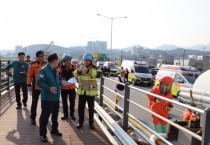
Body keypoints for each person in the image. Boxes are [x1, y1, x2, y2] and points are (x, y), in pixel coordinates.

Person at [37, 53, 62, 143]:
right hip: (47, 98)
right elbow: (39, 82)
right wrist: (49, 88)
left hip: (56, 97)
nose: (58, 61)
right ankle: (42, 134)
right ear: (54, 61)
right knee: (45, 116)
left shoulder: (54, 69)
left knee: (55, 115)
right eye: (58, 59)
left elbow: (55, 81)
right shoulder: (44, 70)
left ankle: (54, 130)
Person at [74, 53, 98, 130]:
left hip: (91, 92)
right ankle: (80, 122)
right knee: (80, 108)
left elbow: (97, 74)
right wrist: (78, 71)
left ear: (91, 61)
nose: (86, 61)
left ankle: (91, 123)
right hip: (82, 91)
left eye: (88, 60)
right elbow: (75, 75)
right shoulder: (81, 67)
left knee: (91, 108)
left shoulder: (95, 68)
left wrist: (87, 70)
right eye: (85, 60)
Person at [27, 51, 47, 125]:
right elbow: (29, 76)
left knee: (44, 103)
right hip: (36, 87)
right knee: (34, 103)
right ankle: (33, 118)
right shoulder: (32, 65)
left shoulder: (46, 64)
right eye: (40, 56)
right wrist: (29, 85)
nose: (42, 57)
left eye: (43, 56)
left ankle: (44, 117)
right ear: (37, 57)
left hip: (45, 87)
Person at [58, 54, 77, 120]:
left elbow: (78, 75)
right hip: (64, 87)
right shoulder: (61, 68)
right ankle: (65, 115)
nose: (68, 61)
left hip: (72, 87)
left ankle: (72, 114)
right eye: (66, 60)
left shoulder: (75, 67)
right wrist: (60, 78)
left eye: (69, 59)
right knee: (64, 102)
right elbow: (57, 75)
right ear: (64, 61)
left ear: (70, 60)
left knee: (72, 102)